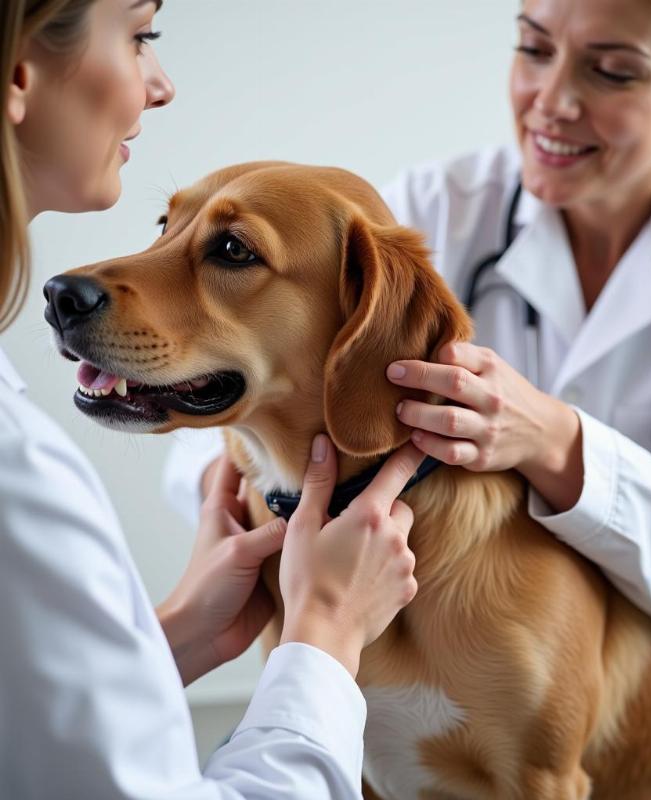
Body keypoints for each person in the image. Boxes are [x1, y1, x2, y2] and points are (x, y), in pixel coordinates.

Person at [167, 0, 651, 797]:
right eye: (534, 49)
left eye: (610, 70)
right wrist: (262, 502)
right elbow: (248, 386)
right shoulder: (432, 209)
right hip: (383, 629)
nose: (553, 100)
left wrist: (559, 444)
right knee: (259, 760)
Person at [0, 1, 421, 798]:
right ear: (20, 73)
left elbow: (28, 727)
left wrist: (172, 638)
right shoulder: (14, 470)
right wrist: (324, 633)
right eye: (139, 36)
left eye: (226, 249)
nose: (159, 85)